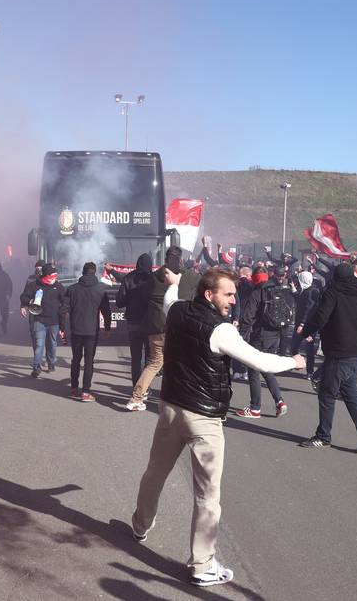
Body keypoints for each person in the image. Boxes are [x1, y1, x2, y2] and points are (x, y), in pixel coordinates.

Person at [130, 268, 304, 588]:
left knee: (155, 471)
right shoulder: (221, 330)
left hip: (170, 407)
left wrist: (175, 282)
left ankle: (140, 525)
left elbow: (170, 297)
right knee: (208, 495)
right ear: (209, 295)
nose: (233, 300)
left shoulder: (178, 310)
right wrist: (294, 361)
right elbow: (261, 362)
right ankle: (202, 564)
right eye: (228, 294)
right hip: (203, 419)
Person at [299, 262, 357, 452]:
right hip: (355, 351)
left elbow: (321, 316)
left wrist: (306, 330)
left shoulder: (333, 292)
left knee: (326, 394)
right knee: (350, 395)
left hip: (338, 351)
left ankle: (323, 436)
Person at [235, 266, 295, 418]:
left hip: (259, 336)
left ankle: (255, 408)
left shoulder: (257, 292)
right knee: (266, 368)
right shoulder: (278, 290)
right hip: (275, 335)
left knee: (253, 369)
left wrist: (240, 337)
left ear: (255, 278)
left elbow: (248, 317)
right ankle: (279, 401)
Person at [126, 248, 178, 411]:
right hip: (172, 327)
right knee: (175, 363)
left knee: (154, 363)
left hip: (154, 327)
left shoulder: (152, 279)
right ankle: (173, 400)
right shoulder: (180, 279)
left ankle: (137, 397)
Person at [63, 262, 111, 401]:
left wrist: (61, 327)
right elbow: (106, 312)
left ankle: (73, 387)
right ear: (94, 272)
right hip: (91, 331)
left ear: (83, 272)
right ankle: (85, 391)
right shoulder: (100, 289)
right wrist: (107, 328)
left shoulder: (72, 289)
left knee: (76, 359)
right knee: (89, 361)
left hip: (76, 329)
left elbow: (63, 309)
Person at [21, 264, 67, 377]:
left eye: (55, 275)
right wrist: (25, 304)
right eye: (52, 275)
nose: (54, 277)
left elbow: (65, 301)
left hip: (54, 321)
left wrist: (62, 322)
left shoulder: (59, 286)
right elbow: (24, 296)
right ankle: (36, 367)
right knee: (39, 344)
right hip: (39, 320)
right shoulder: (34, 285)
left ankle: (51, 363)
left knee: (52, 344)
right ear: (46, 275)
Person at [118, 253, 156, 385]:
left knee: (135, 357)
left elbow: (120, 302)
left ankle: (136, 386)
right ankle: (145, 388)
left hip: (133, 321)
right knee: (149, 357)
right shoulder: (153, 278)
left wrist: (130, 300)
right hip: (150, 322)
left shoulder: (128, 278)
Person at [293, 269, 323, 387]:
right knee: (296, 346)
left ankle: (309, 371)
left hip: (307, 325)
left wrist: (302, 324)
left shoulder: (312, 291)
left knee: (307, 348)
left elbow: (308, 310)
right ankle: (302, 365)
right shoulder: (305, 290)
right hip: (302, 324)